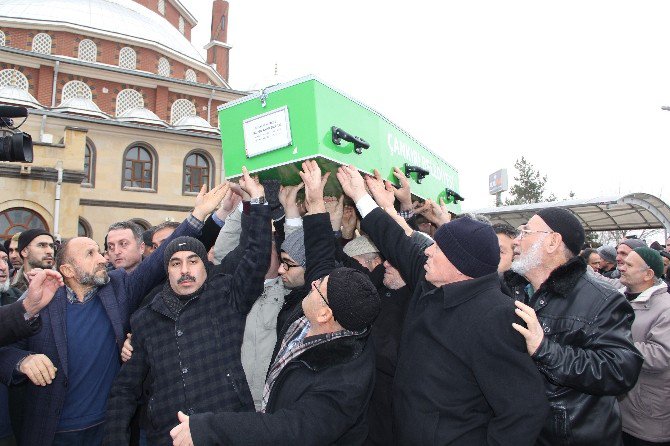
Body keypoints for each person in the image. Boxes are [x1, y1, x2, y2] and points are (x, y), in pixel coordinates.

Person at [170, 160, 381, 446]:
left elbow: (289, 429)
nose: (314, 282)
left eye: (318, 288)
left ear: (324, 315)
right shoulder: (331, 309)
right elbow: (319, 254)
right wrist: (316, 200)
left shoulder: (343, 382)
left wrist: (209, 429)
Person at [336, 164, 549, 445]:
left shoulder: (498, 317)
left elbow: (524, 410)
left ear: (460, 264)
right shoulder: (432, 280)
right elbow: (396, 240)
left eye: (438, 248)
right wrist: (362, 197)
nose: (429, 250)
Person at [0, 184, 227, 446]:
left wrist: (198, 214)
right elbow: (4, 350)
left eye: (99, 251)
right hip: (53, 432)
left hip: (106, 429)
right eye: (91, 254)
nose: (103, 258)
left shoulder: (117, 288)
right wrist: (22, 361)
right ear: (68, 270)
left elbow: (156, 263)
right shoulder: (40, 301)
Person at [104, 172, 271, 445]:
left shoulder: (228, 296)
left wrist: (258, 202)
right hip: (168, 435)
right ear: (165, 271)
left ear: (205, 266)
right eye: (175, 263)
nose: (185, 271)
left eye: (193, 261)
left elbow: (255, 256)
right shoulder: (146, 319)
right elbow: (125, 390)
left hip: (227, 431)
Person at [506, 207, 643, 445]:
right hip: (521, 430)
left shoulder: (602, 299)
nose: (515, 242)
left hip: (570, 436)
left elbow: (620, 371)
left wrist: (543, 349)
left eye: (525, 232)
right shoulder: (511, 288)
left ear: (552, 241)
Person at [617, 247, 670, 446]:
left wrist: (615, 342)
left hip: (647, 418)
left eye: (629, 265)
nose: (621, 267)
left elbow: (661, 356)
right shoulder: (620, 298)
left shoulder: (665, 308)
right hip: (622, 410)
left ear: (648, 274)